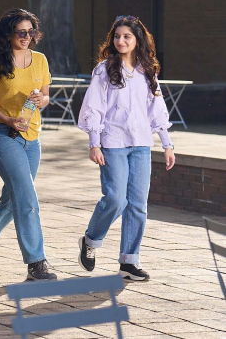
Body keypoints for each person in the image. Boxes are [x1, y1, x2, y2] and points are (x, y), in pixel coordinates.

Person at [77, 16, 175, 282]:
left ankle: (129, 262)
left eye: (127, 37)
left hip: (142, 144)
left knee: (138, 205)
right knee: (116, 199)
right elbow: (94, 107)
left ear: (137, 40)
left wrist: (167, 144)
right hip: (113, 143)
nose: (121, 41)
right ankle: (91, 239)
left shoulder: (147, 70)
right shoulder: (104, 69)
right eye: (117, 36)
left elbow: (157, 109)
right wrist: (94, 142)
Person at [0, 8, 57, 281]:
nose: (26, 37)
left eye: (30, 32)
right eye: (20, 32)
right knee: (27, 195)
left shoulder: (41, 60)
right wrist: (7, 119)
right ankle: (37, 262)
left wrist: (40, 101)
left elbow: (46, 96)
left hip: (32, 137)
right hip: (3, 135)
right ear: (9, 34)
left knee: (13, 199)